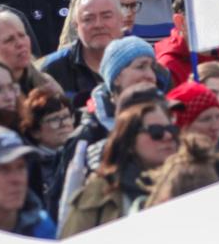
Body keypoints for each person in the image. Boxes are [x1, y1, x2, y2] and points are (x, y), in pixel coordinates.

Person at [59, 100, 178, 236]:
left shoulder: (192, 178)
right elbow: (73, 242)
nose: (168, 136)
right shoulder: (100, 191)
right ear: (129, 141)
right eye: (156, 132)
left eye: (171, 129)